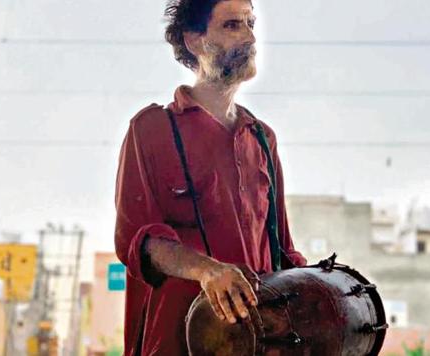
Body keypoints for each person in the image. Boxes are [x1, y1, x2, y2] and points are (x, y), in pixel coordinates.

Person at [113, 0, 307, 354]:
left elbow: (283, 253)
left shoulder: (262, 138)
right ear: (195, 40)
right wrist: (208, 271)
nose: (249, 36)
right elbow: (137, 242)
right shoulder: (152, 129)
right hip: (175, 342)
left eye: (250, 23)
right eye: (232, 25)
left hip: (256, 343)